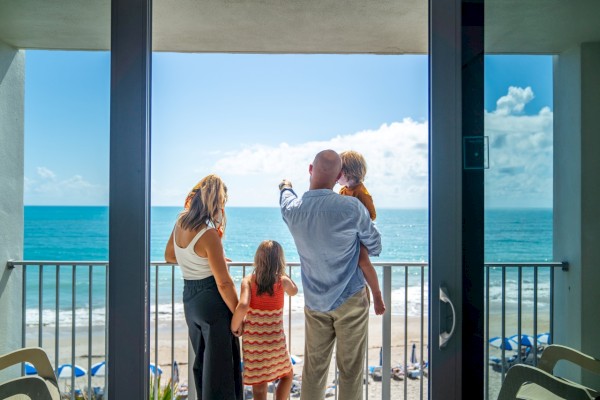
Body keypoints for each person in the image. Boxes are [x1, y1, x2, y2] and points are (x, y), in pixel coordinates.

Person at [279, 149, 382, 400]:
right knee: (350, 371)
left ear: (310, 170)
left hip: (315, 302)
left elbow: (285, 196)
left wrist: (285, 186)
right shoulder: (351, 207)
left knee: (314, 372)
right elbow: (376, 246)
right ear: (338, 177)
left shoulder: (293, 210)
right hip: (351, 300)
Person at [164, 174, 242, 400]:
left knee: (203, 364)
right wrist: (239, 313)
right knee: (221, 372)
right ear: (216, 203)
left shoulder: (180, 222)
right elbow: (224, 283)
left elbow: (170, 256)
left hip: (191, 299)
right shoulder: (208, 235)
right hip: (212, 302)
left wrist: (205, 259)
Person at [230, 240, 298, 400]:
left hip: (254, 342)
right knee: (287, 374)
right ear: (279, 261)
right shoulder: (282, 281)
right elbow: (294, 291)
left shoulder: (248, 280)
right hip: (275, 339)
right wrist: (284, 274)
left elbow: (243, 305)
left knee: (259, 384)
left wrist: (235, 326)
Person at [338, 150, 385, 315]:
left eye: (339, 169)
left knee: (363, 260)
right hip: (348, 235)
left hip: (359, 236)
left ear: (348, 171)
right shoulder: (344, 190)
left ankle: (377, 295)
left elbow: (372, 214)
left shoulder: (361, 192)